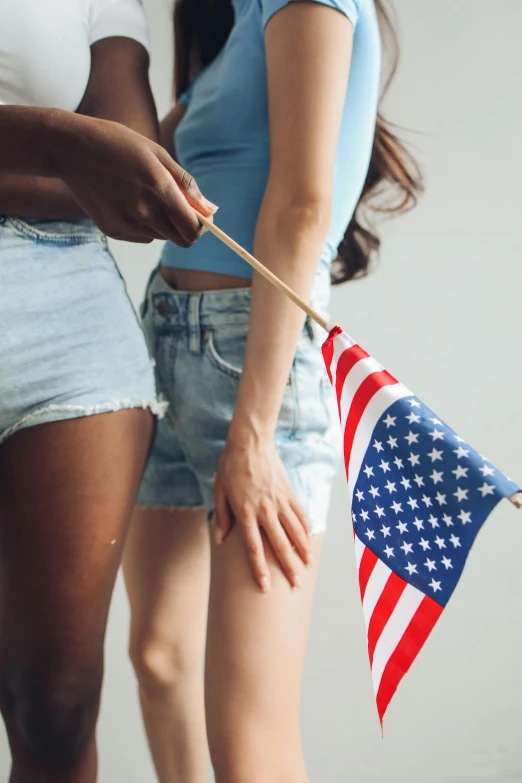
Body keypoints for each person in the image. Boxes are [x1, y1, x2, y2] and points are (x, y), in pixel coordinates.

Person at [124, 0, 422, 781]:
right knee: (157, 657)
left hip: (255, 371)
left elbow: (301, 206)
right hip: (162, 340)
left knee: (249, 743)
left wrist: (252, 436)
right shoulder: (230, 25)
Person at [0, 2, 216, 782]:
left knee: (55, 704)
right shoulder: (60, 140)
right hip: (67, 244)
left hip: (71, 304)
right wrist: (58, 138)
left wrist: (79, 160)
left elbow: (129, 165)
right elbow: (91, 160)